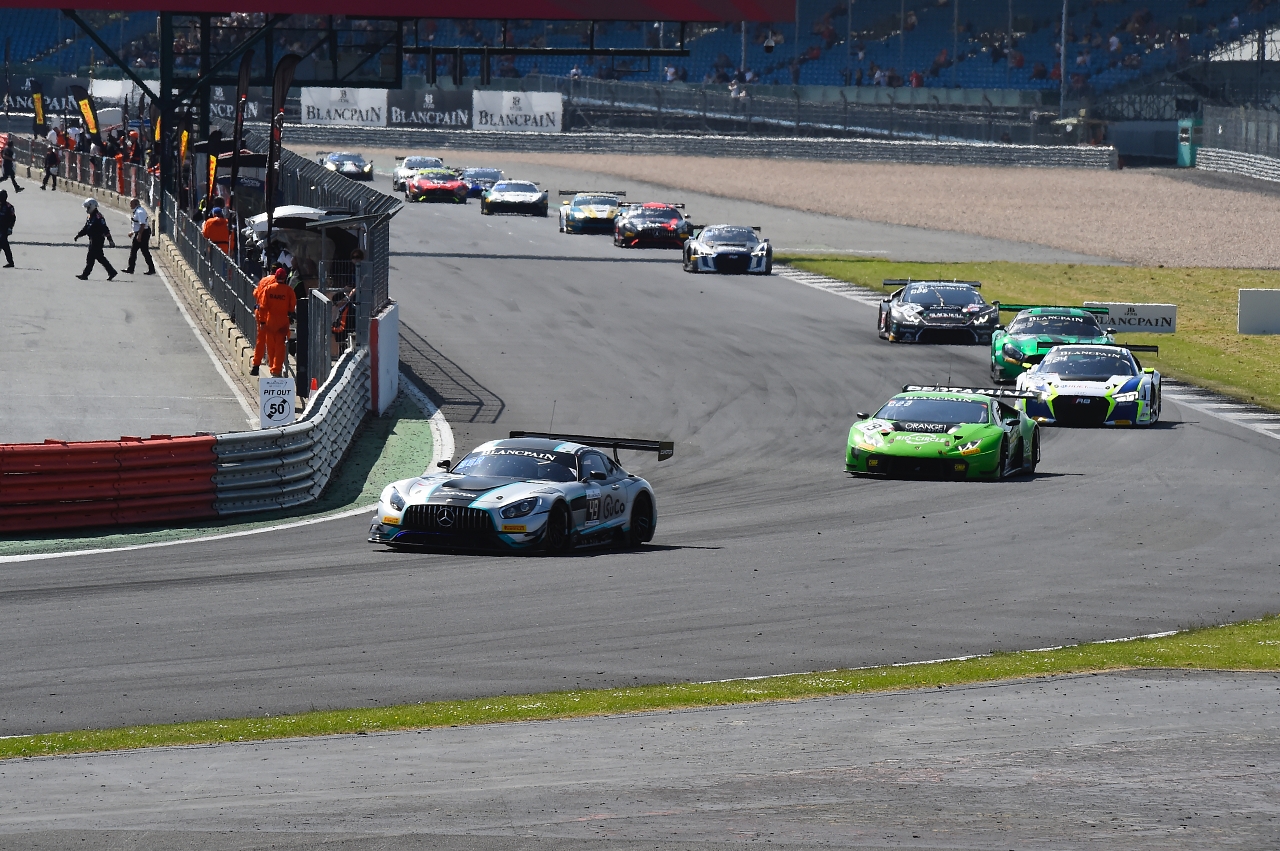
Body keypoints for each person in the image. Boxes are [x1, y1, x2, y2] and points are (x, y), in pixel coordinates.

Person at [255, 266, 297, 377]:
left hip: (270, 321)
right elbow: (292, 306)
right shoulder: (288, 291)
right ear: (285, 277)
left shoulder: (269, 289)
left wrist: (262, 322)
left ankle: (271, 365)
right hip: (282, 322)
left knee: (270, 345)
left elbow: (263, 306)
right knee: (280, 346)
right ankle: (276, 369)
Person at [74, 197, 116, 281]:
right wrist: (78, 235)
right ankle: (111, 272)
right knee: (99, 257)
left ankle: (85, 275)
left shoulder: (98, 217)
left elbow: (105, 229)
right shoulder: (90, 216)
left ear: (92, 206)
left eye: (88, 207)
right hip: (92, 239)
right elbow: (86, 228)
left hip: (98, 240)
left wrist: (110, 240)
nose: (87, 209)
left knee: (91, 257)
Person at [124, 198, 155, 275]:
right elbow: (137, 224)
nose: (130, 205)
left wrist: (139, 235)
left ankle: (132, 268)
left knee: (139, 251)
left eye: (131, 203)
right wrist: (133, 232)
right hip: (140, 232)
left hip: (143, 233)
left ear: (135, 204)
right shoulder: (137, 211)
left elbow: (142, 224)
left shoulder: (140, 212)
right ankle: (131, 268)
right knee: (140, 251)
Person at [0, 189, 15, 268]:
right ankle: (10, 262)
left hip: (4, 228)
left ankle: (10, 262)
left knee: (3, 242)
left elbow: (13, 218)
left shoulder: (9, 207)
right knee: (4, 245)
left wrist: (10, 228)